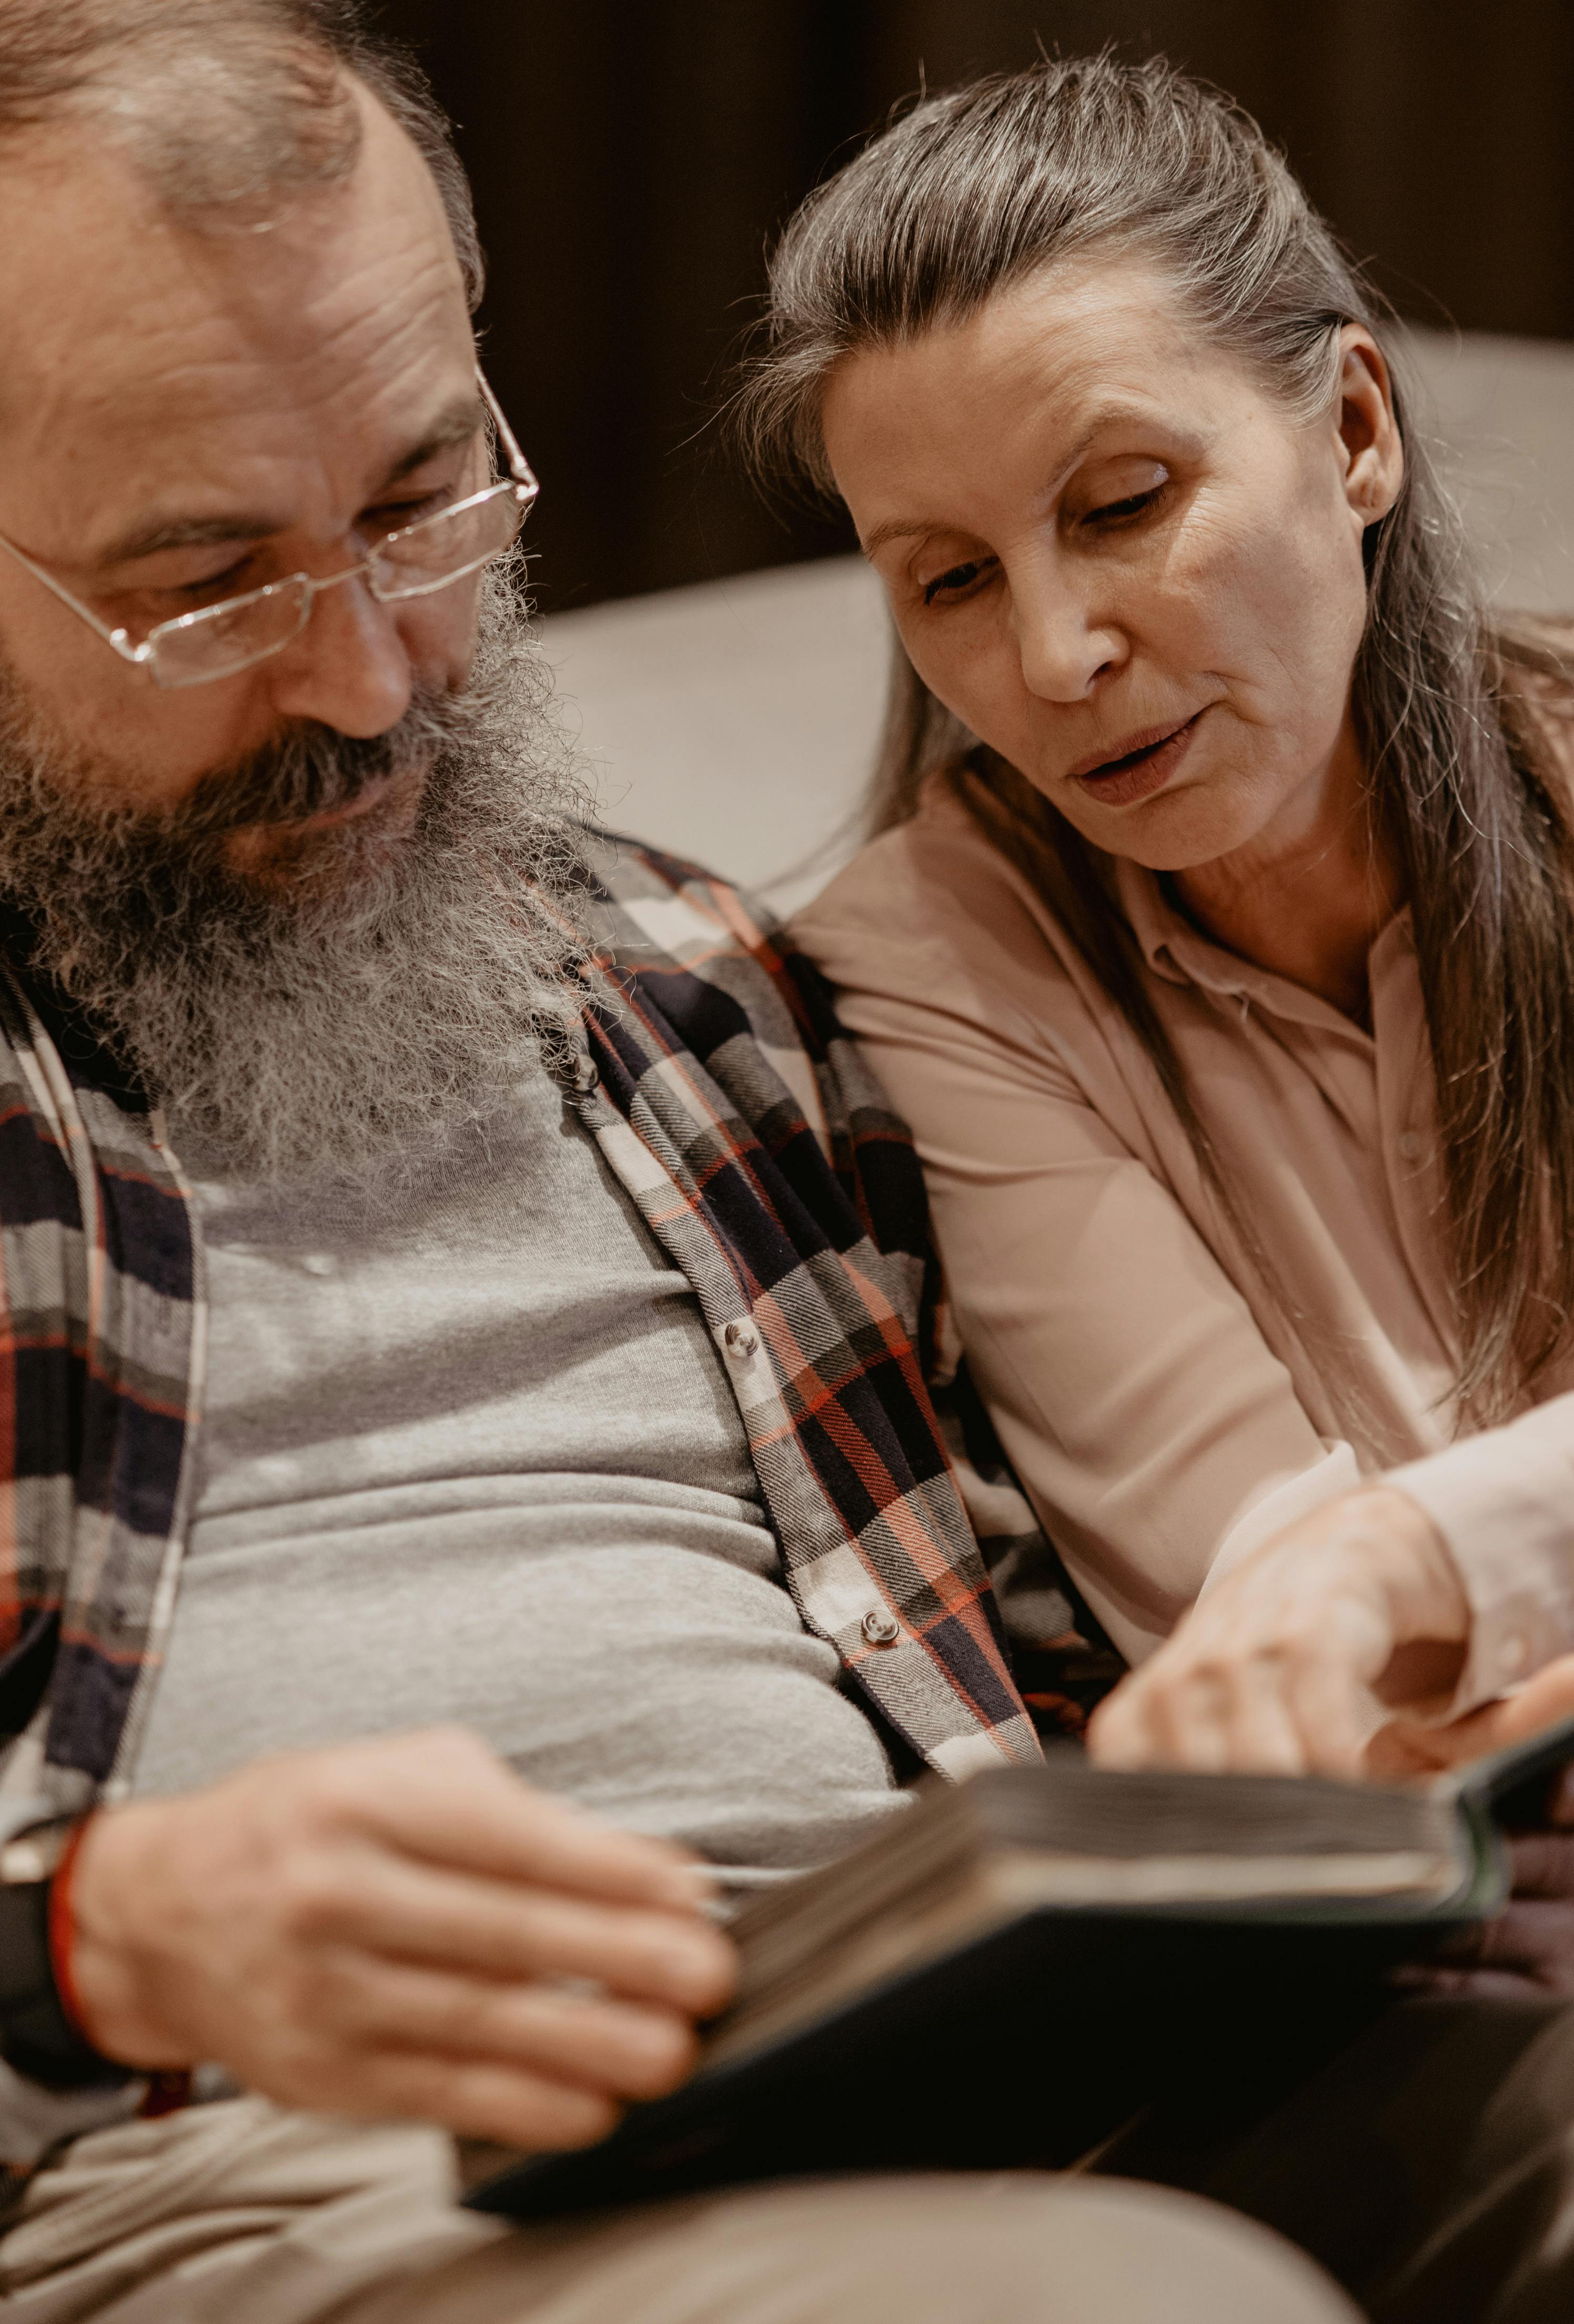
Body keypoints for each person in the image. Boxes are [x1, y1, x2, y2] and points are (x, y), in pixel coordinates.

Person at [0, 11, 1562, 2321]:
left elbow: (1102, 1639)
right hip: (292, 2162)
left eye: (426, 501)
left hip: (988, 2039)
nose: (368, 677)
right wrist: (103, 1940)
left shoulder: (701, 984)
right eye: (212, 581)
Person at [780, 54, 1574, 1783]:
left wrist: (1417, 1562)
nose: (1057, 657)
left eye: (1124, 502)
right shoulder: (926, 972)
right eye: (954, 579)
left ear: (1354, 431)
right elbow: (1284, 1656)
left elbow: (1365, 1607)